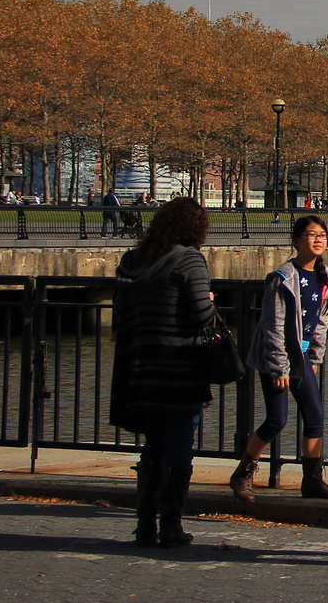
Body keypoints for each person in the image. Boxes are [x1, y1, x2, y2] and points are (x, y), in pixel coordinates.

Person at [109, 197, 216, 548]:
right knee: (180, 446)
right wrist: (213, 304)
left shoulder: (131, 260)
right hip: (180, 365)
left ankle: (144, 523)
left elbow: (120, 315)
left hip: (141, 367)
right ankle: (171, 524)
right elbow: (203, 315)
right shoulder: (188, 259)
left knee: (153, 444)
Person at [228, 215, 328, 502]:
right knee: (277, 420)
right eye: (310, 234)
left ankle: (312, 480)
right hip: (275, 356)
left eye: (322, 235)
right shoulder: (282, 278)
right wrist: (279, 366)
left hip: (303, 355)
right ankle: (243, 473)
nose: (318, 239)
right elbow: (273, 325)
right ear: (295, 241)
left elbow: (322, 322)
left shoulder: (324, 276)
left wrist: (315, 358)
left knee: (315, 417)